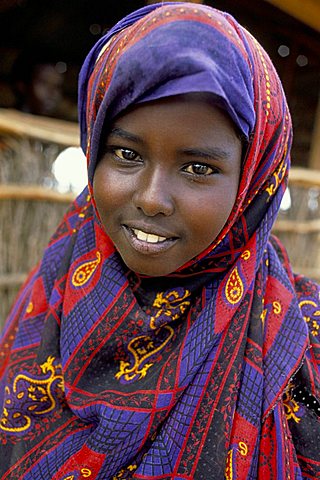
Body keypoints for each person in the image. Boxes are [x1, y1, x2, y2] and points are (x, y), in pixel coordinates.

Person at [0, 2, 319, 478]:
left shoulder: (298, 344)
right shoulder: (52, 290)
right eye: (126, 153)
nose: (151, 200)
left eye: (198, 168)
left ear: (254, 180)